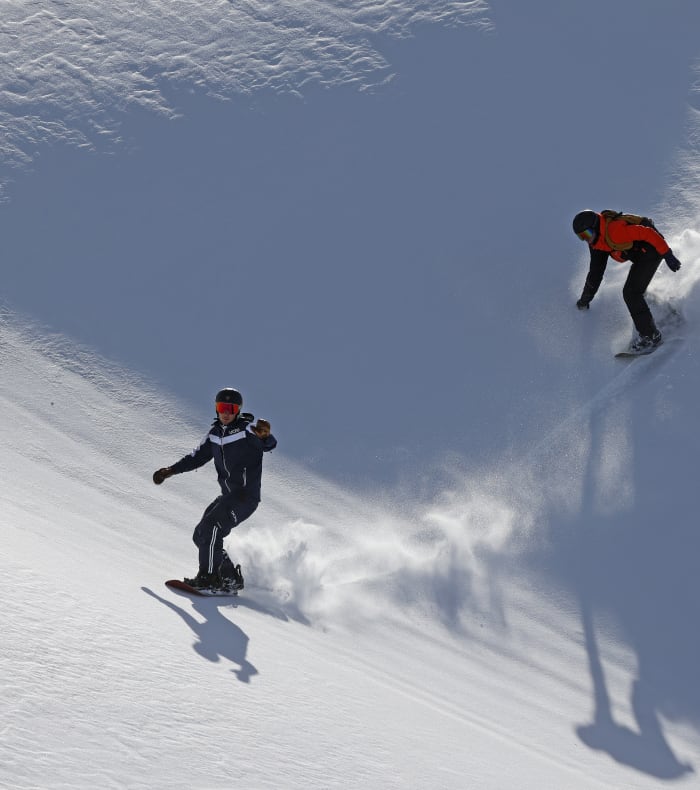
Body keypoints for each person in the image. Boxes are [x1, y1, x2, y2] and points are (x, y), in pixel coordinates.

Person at [153, 387, 277, 591]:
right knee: (201, 534)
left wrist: (264, 437)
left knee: (212, 527)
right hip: (228, 496)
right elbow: (196, 457)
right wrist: (170, 471)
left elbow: (268, 444)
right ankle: (228, 576)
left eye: (230, 408)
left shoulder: (246, 430)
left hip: (245, 498)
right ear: (216, 409)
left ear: (238, 410)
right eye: (222, 407)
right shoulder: (214, 434)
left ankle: (209, 578)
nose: (226, 413)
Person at [573, 209, 682, 352]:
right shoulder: (597, 243)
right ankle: (657, 311)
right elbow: (595, 273)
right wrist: (585, 300)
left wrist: (667, 254)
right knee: (634, 290)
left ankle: (650, 336)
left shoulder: (614, 231)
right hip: (639, 254)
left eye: (587, 234)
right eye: (581, 237)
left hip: (653, 249)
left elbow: (647, 233)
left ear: (595, 227)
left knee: (631, 293)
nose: (586, 239)